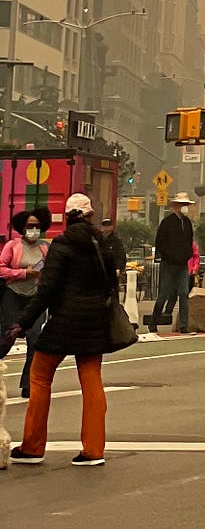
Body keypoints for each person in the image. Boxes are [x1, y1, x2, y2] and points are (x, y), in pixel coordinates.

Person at [0, 192, 119, 466]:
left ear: (66, 217)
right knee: (92, 382)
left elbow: (47, 290)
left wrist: (23, 323)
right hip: (94, 323)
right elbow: (111, 283)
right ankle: (93, 450)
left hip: (63, 322)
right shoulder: (101, 243)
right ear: (89, 216)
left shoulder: (61, 244)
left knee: (40, 376)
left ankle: (32, 446)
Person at [0, 208, 51, 398]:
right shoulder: (12, 246)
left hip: (34, 299)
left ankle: (28, 384)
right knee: (7, 338)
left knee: (35, 340)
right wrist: (23, 274)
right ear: (22, 228)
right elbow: (1, 269)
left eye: (37, 226)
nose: (34, 230)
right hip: (13, 296)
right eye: (30, 226)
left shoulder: (44, 249)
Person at [149, 189, 195, 334]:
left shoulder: (187, 223)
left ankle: (184, 325)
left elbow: (189, 242)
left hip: (182, 265)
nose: (184, 207)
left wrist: (187, 256)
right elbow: (160, 243)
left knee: (184, 293)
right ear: (175, 206)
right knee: (164, 294)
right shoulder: (167, 222)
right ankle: (153, 321)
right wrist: (168, 256)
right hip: (169, 264)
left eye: (186, 204)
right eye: (182, 204)